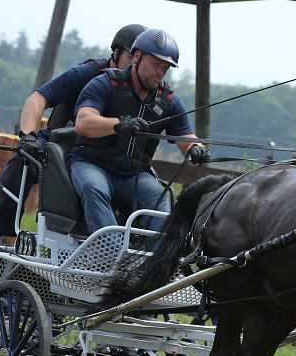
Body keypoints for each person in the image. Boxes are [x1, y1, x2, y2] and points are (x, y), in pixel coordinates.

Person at [0, 24, 149, 238]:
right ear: (116, 53)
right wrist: (28, 137)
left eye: (142, 59)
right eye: (132, 57)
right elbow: (37, 99)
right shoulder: (88, 72)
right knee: (22, 161)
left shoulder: (144, 90)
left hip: (101, 156)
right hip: (60, 144)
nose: (136, 64)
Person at [71, 28, 210, 235]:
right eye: (155, 64)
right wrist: (119, 124)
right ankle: (113, 257)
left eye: (166, 68)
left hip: (133, 176)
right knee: (93, 187)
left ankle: (156, 263)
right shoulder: (105, 84)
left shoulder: (168, 101)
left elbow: (186, 137)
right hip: (92, 165)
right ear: (137, 56)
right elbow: (82, 122)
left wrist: (196, 148)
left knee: (160, 196)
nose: (160, 72)